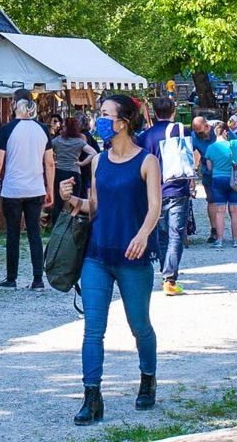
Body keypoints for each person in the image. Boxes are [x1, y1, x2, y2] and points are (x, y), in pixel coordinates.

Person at [59, 94, 160, 426]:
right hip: (98, 255)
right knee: (92, 329)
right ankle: (92, 397)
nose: (98, 120)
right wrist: (70, 199)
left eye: (105, 114)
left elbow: (155, 206)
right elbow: (95, 207)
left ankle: (147, 378)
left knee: (139, 325)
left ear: (123, 122)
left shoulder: (147, 161)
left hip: (133, 256)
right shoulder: (98, 161)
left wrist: (143, 235)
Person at [0, 95, 55, 290]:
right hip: (36, 188)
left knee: (13, 234)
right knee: (35, 234)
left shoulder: (7, 129)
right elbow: (49, 162)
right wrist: (50, 188)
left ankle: (11, 278)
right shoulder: (42, 129)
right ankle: (38, 279)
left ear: (16, 106)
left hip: (13, 189)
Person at [135, 97, 192, 297]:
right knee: (176, 233)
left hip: (154, 191)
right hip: (177, 188)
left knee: (161, 233)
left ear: (154, 112)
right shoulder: (180, 130)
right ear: (173, 111)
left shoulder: (145, 136)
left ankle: (165, 271)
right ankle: (170, 278)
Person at [205, 121, 237, 247]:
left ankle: (219, 240)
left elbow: (209, 167)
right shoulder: (234, 144)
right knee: (235, 211)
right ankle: (235, 240)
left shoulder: (210, 148)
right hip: (235, 180)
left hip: (218, 179)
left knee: (219, 211)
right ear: (225, 132)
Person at [51, 116, 96, 230]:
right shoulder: (79, 141)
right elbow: (93, 153)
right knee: (74, 201)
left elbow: (46, 151)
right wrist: (81, 163)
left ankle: (56, 227)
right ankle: (72, 227)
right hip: (74, 173)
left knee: (58, 202)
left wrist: (54, 160)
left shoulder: (57, 140)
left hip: (59, 172)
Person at [189, 117, 218, 243]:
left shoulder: (218, 129)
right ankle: (214, 229)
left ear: (207, 126)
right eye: (196, 132)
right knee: (211, 200)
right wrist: (191, 176)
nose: (198, 134)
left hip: (225, 170)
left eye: (200, 132)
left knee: (229, 201)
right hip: (208, 173)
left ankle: (236, 231)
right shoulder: (194, 136)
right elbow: (189, 155)